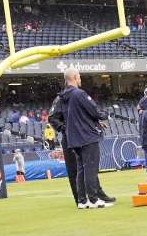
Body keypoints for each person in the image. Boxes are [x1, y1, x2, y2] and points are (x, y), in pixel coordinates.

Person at [58, 68, 114, 208]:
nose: (80, 79)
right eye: (79, 76)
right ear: (75, 77)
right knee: (90, 168)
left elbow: (79, 115)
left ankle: (82, 201)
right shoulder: (79, 94)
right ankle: (94, 200)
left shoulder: (64, 96)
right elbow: (94, 110)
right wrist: (105, 115)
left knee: (81, 169)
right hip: (86, 136)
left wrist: (94, 120)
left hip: (73, 138)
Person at [47, 82, 84, 208]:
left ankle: (92, 196)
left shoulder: (80, 97)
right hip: (69, 139)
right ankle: (79, 199)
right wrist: (65, 128)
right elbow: (52, 117)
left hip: (83, 137)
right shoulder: (60, 99)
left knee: (87, 168)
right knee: (74, 170)